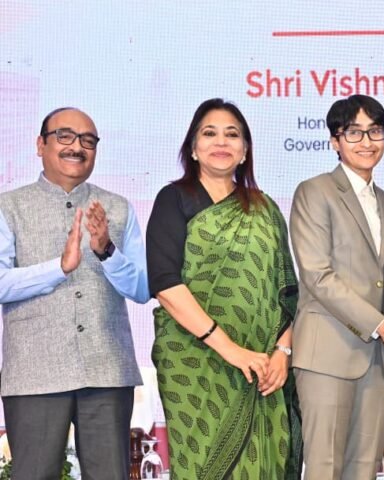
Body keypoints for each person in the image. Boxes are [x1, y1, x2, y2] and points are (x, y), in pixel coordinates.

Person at [146, 98, 301, 479]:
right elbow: (165, 284)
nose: (221, 142)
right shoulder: (174, 199)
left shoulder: (265, 210)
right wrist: (231, 350)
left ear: (245, 150)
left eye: (232, 134)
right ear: (193, 148)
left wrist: (282, 353)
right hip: (195, 362)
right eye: (209, 133)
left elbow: (287, 291)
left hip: (263, 367)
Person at [0, 107, 149, 479]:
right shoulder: (8, 206)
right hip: (35, 372)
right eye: (64, 136)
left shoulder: (117, 208)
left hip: (107, 370)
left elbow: (143, 288)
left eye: (88, 140)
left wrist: (107, 251)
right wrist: (59, 268)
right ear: (41, 145)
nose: (77, 147)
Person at [289, 94, 384, 480]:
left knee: (364, 469)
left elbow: (377, 276)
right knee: (324, 468)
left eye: (375, 131)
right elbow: (317, 275)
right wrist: (381, 325)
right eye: (354, 132)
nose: (367, 141)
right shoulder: (314, 191)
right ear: (335, 140)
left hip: (379, 361)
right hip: (328, 353)